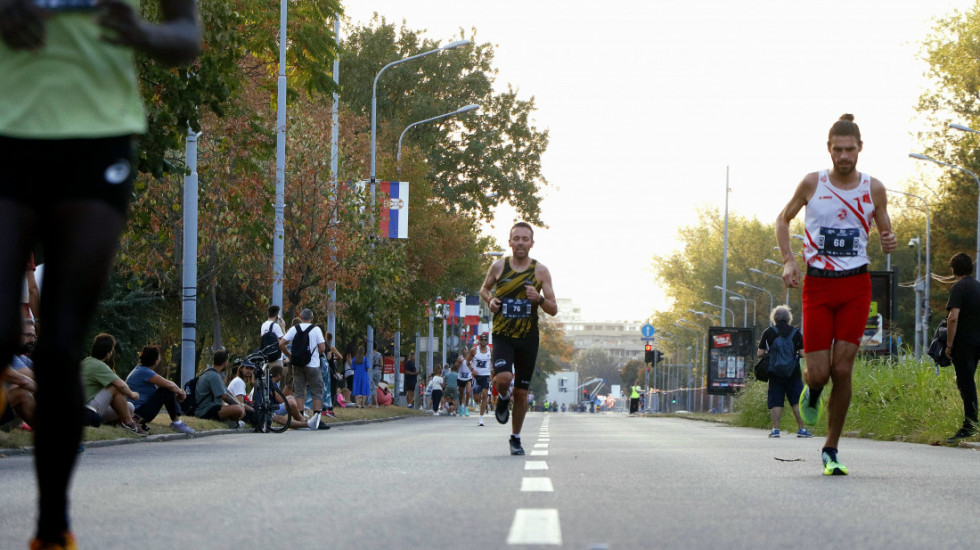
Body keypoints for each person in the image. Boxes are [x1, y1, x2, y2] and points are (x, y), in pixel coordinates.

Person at [0, 0, 201, 546]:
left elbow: (187, 36)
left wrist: (139, 32)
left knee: (61, 345)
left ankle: (51, 529)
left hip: (97, 136)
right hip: (8, 128)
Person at [775, 114, 896, 475]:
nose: (844, 156)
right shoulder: (813, 183)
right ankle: (812, 391)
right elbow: (783, 219)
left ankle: (831, 448)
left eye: (850, 150)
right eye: (838, 150)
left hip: (856, 286)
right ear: (829, 149)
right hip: (818, 286)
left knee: (843, 369)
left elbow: (886, 234)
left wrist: (888, 239)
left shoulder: (874, 188)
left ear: (860, 149)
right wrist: (788, 261)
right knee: (820, 373)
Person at [480, 222, 558, 455]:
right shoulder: (499, 266)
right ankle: (503, 396)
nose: (521, 242)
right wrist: (490, 300)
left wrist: (539, 300)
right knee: (503, 378)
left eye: (526, 239)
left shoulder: (540, 271)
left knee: (522, 392)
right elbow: (484, 289)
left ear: (532, 243)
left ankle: (515, 438)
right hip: (503, 334)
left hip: (528, 338)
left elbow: (553, 309)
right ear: (510, 242)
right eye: (517, 238)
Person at [756, 306, 812, 439]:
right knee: (796, 400)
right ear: (788, 318)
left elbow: (760, 353)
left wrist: (771, 354)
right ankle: (802, 429)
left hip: (775, 373)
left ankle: (775, 430)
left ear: (774, 318)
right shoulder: (796, 332)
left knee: (776, 401)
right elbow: (803, 353)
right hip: (793, 372)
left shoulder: (768, 332)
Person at [944, 253, 980, 443]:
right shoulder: (978, 286)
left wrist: (949, 345)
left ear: (954, 269)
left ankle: (970, 426)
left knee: (966, 384)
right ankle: (972, 423)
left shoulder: (959, 287)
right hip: (978, 341)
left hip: (964, 343)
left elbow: (953, 317)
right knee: (968, 382)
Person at [80, 333, 147, 436]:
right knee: (116, 388)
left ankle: (117, 421)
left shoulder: (85, 362)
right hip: (88, 408)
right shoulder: (99, 366)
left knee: (129, 407)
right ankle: (129, 423)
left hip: (89, 405)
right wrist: (133, 394)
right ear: (108, 353)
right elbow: (121, 385)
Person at [125, 345, 194, 434]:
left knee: (168, 388)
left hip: (137, 411)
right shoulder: (143, 372)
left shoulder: (140, 370)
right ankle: (177, 422)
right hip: (138, 413)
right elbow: (169, 385)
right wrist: (181, 392)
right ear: (156, 360)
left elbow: (167, 383)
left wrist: (177, 393)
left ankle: (177, 421)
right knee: (166, 390)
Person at [278, 308, 325, 430]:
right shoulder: (316, 329)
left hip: (297, 365)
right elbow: (322, 348)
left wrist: (290, 356)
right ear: (312, 318)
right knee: (316, 391)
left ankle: (300, 417)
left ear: (301, 317)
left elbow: (281, 344)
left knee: (299, 390)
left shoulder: (294, 329)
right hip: (313, 365)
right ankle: (317, 417)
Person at [193, 350, 246, 428]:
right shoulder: (213, 376)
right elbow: (224, 396)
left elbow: (228, 393)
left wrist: (240, 404)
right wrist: (239, 406)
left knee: (240, 409)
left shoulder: (212, 373)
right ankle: (232, 423)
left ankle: (231, 422)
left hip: (213, 408)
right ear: (225, 362)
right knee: (238, 410)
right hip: (206, 410)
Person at [471, 334, 493, 426]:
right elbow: (468, 361)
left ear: (487, 341)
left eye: (485, 340)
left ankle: (481, 418)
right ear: (479, 341)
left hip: (486, 376)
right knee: (476, 398)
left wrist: (493, 371)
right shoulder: (474, 350)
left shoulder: (490, 350)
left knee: (484, 395)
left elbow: (493, 362)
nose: (483, 341)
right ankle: (478, 404)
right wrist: (472, 370)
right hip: (477, 376)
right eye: (482, 339)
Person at [350, 343, 371, 408]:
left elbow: (352, 367)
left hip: (356, 375)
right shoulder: (365, 359)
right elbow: (367, 367)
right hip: (364, 375)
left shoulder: (354, 359)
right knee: (364, 390)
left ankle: (357, 404)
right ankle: (363, 404)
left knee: (356, 389)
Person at [457, 349, 473, 416]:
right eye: (463, 350)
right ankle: (461, 407)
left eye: (465, 350)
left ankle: (466, 407)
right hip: (461, 377)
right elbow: (456, 367)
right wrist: (459, 362)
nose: (464, 351)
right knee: (461, 393)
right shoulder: (459, 358)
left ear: (467, 351)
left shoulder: (470, 358)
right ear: (462, 352)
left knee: (468, 392)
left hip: (468, 377)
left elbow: (473, 366)